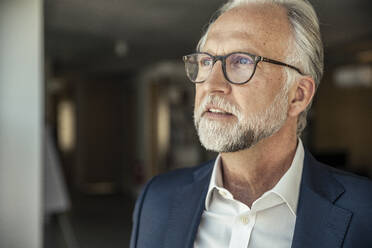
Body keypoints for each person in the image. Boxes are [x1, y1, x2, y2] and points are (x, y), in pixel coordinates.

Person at [130, 0, 372, 247]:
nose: (212, 85)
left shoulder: (365, 213)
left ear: (298, 95)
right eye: (205, 62)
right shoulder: (158, 199)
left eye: (242, 61)